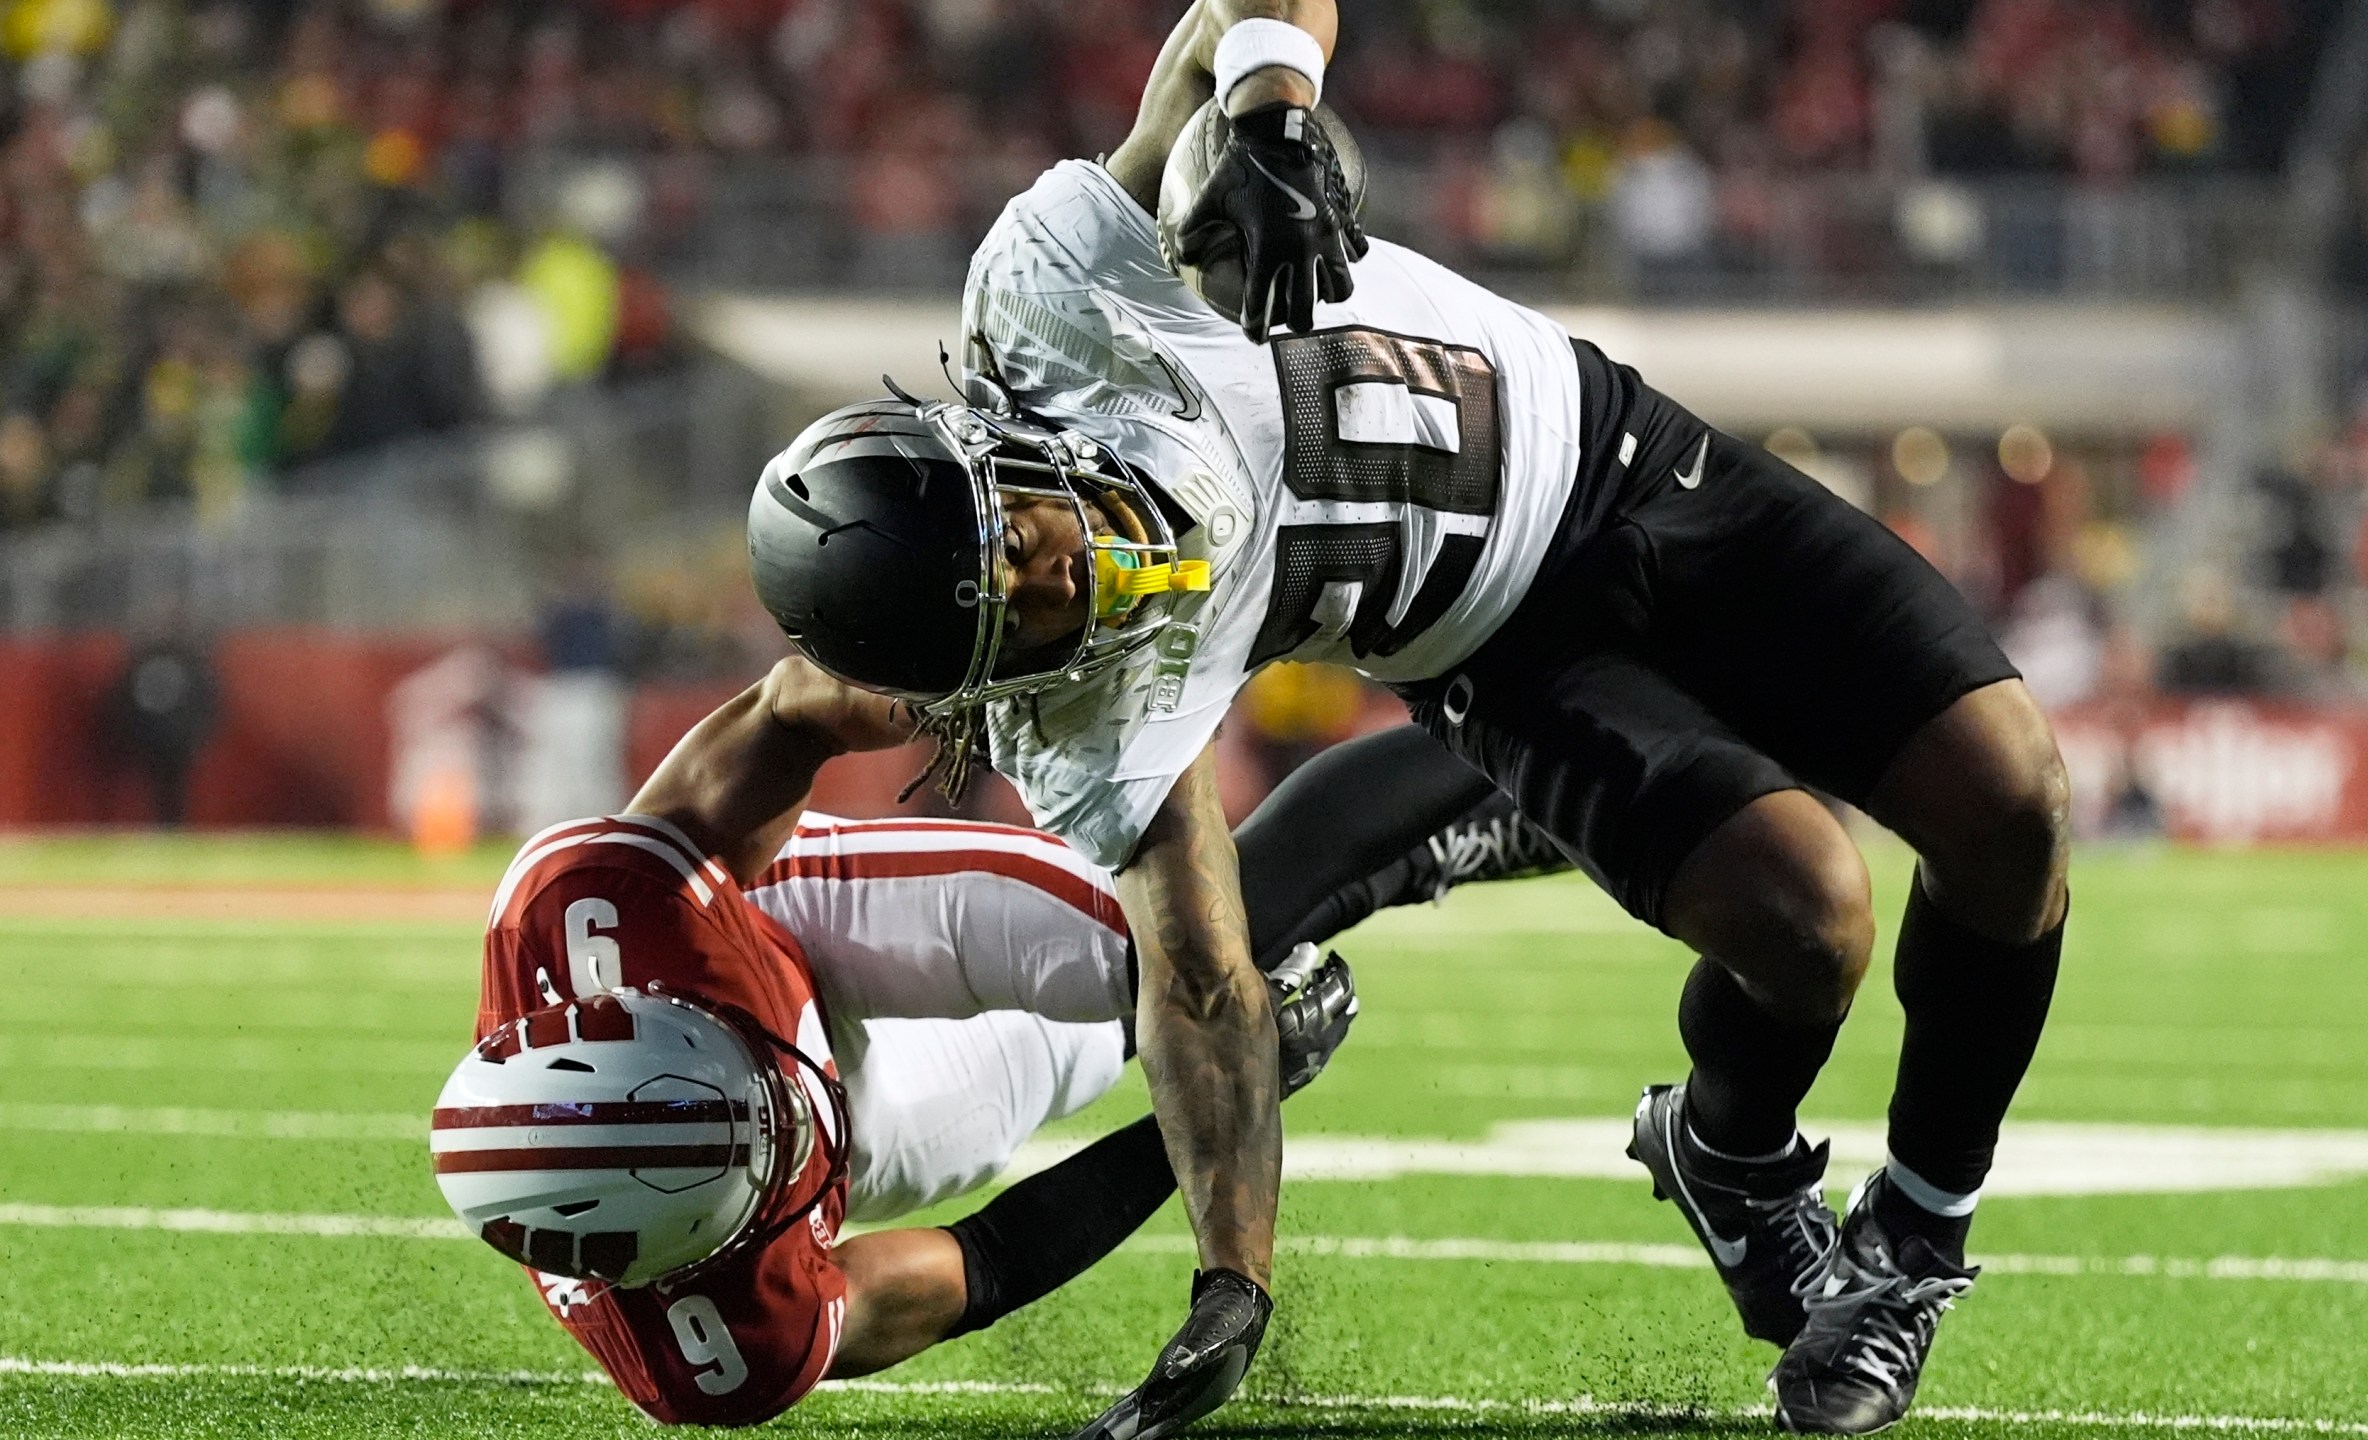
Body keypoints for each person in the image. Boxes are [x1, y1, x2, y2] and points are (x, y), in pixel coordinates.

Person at [747, 3, 2071, 1434]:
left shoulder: (1055, 297)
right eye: (1015, 609)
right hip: (1498, 652)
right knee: (1810, 920)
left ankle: (1918, 1234)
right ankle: (1733, 1161)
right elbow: (1201, 980)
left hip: (1625, 459)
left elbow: (1233, 16)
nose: (1054, 570)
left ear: (981, 448)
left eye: (1008, 535)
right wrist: (1229, 1278)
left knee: (2012, 801)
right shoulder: (1080, 717)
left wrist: (1264, 106)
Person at [431, 656, 1561, 1426]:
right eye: (758, 1156)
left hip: (777, 931)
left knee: (1179, 940)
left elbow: (793, 708)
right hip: (873, 1142)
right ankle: (1437, 851)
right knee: (1182, 1009)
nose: (782, 1119)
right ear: (686, 1253)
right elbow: (985, 1264)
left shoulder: (599, 905)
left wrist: (973, 683)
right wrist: (1194, 1115)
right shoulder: (714, 1346)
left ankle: (1558, 725)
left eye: (743, 1102)